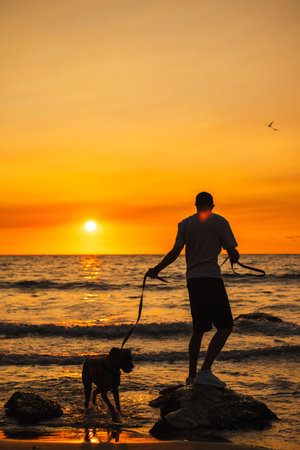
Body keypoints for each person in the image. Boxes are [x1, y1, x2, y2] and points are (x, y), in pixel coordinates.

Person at [147, 192, 239, 388]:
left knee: (198, 330)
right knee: (225, 327)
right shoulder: (220, 222)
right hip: (212, 279)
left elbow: (174, 253)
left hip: (193, 281)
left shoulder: (185, 224)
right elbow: (233, 252)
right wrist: (233, 255)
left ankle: (191, 376)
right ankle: (205, 371)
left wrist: (156, 269)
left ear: (196, 205)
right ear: (212, 205)